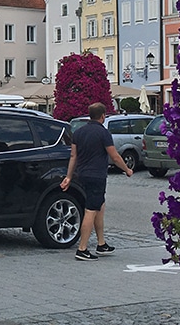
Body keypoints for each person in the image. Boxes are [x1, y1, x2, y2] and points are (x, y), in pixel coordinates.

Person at [60, 102, 132, 261]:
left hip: (82, 174)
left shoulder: (78, 132)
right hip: (97, 176)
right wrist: (127, 169)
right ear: (103, 116)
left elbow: (73, 156)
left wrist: (69, 176)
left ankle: (101, 243)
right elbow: (114, 156)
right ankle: (82, 249)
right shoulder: (103, 133)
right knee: (91, 210)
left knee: (100, 205)